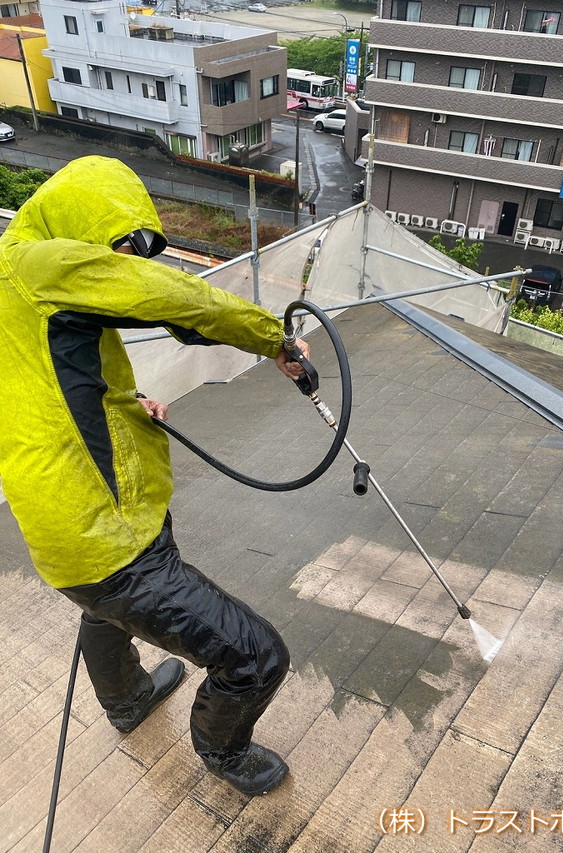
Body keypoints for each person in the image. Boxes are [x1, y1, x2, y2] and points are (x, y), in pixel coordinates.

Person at [0, 155, 310, 796]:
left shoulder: (15, 284)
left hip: (72, 530)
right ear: (80, 217)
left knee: (105, 613)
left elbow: (40, 381)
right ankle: (223, 752)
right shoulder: (38, 263)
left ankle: (128, 701)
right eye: (118, 245)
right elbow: (170, 297)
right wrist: (271, 338)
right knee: (255, 656)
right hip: (102, 533)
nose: (126, 262)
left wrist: (121, 401)